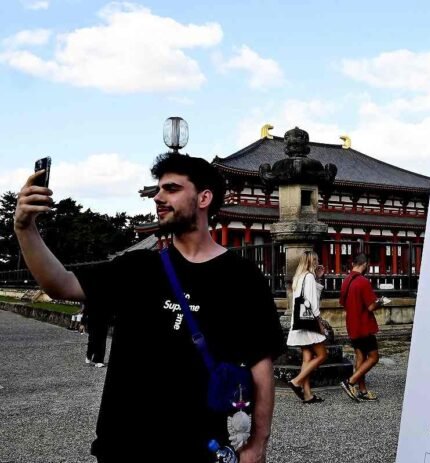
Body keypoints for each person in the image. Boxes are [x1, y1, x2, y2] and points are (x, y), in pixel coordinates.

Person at [13, 153, 285, 463]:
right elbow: (60, 283)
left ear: (204, 197)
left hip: (201, 448)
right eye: (158, 189)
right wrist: (25, 229)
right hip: (125, 445)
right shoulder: (136, 268)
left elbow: (260, 365)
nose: (157, 197)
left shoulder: (242, 277)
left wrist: (258, 442)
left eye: (171, 188)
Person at [339, 253, 384, 402]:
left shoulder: (346, 280)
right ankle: (350, 381)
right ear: (364, 264)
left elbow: (342, 302)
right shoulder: (363, 281)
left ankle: (362, 390)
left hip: (352, 324)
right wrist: (380, 302)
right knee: (373, 357)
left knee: (360, 357)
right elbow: (371, 306)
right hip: (364, 325)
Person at [285, 250, 328, 404]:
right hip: (309, 322)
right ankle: (297, 381)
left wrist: (318, 278)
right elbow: (312, 303)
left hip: (299, 322)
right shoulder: (309, 277)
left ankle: (308, 394)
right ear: (311, 261)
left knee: (307, 357)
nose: (317, 262)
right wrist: (320, 323)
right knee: (323, 355)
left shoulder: (299, 277)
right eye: (315, 259)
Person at [83, 301, 108, 368]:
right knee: (92, 340)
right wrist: (83, 323)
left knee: (102, 341)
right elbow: (86, 310)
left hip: (104, 322)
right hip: (93, 321)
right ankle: (89, 355)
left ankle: (99, 360)